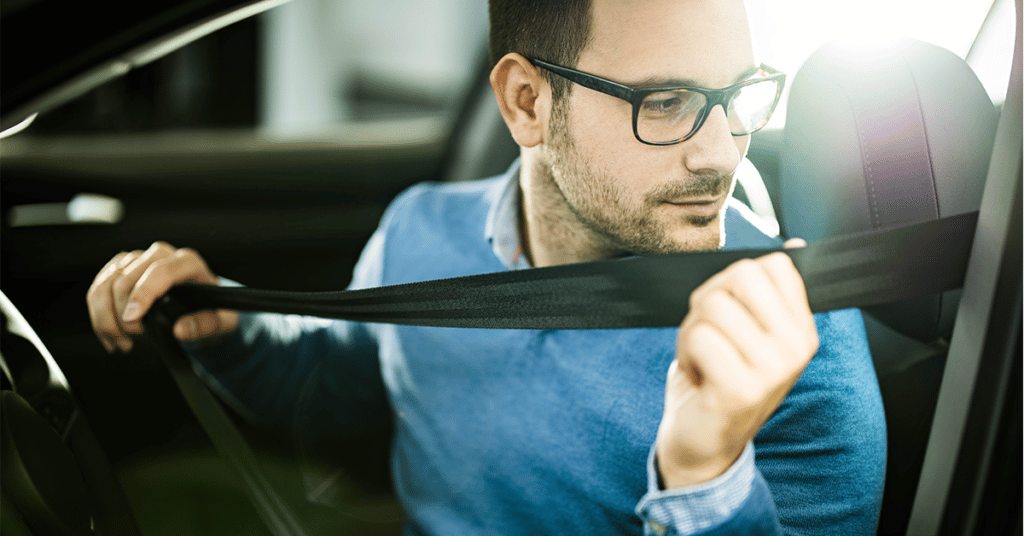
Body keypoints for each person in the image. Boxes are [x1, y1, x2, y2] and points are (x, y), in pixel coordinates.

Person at [86, 0, 886, 534]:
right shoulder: (419, 230)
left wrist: (705, 475)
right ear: (527, 104)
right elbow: (340, 384)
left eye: (738, 94)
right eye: (666, 101)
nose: (721, 151)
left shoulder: (794, 348)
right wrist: (226, 326)